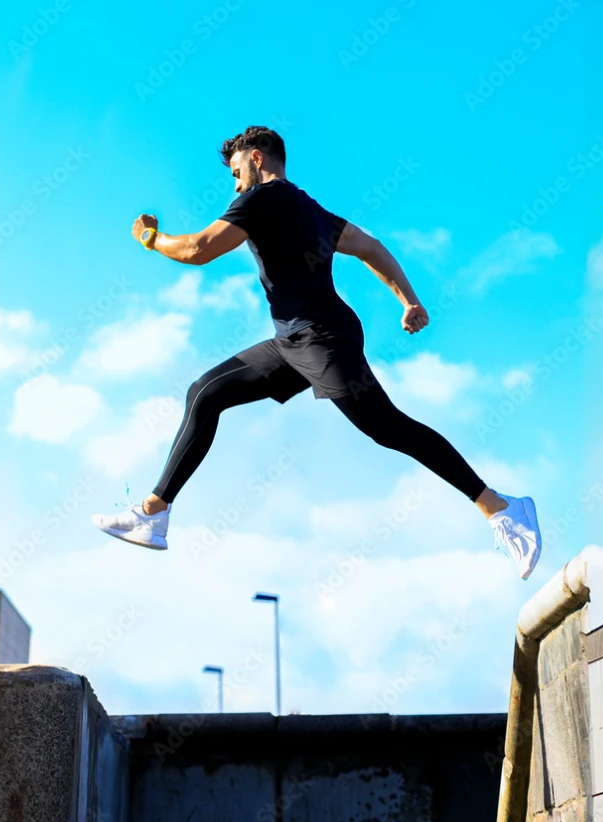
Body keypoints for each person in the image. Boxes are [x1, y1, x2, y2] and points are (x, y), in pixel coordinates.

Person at [90, 125, 542, 579]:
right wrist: (408, 299)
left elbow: (198, 248)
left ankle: (502, 508)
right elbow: (371, 247)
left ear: (257, 158)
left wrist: (151, 238)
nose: (235, 183)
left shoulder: (261, 200)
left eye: (235, 171)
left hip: (323, 339)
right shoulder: (310, 210)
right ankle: (154, 511)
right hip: (293, 343)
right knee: (205, 392)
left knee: (388, 427)